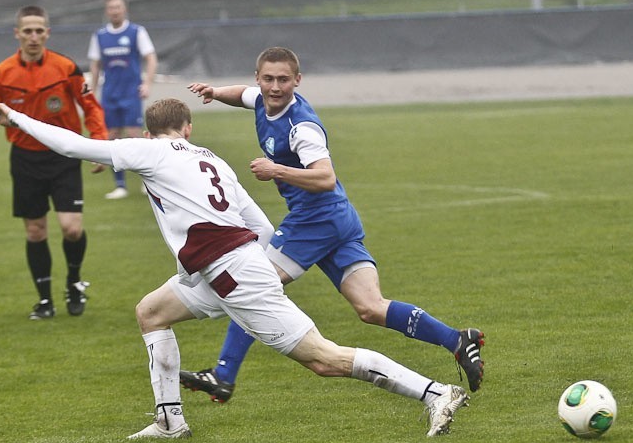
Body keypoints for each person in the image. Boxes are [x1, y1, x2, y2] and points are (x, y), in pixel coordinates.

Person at [0, 98, 471, 438]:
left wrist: (15, 118)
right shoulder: (211, 157)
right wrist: (252, 264)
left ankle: (435, 392)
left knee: (323, 359)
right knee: (151, 312)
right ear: (188, 128)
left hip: (232, 274)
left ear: (151, 132)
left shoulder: (147, 149)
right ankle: (171, 421)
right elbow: (255, 223)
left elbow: (72, 145)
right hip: (222, 269)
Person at [183, 47, 485, 403]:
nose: (275, 86)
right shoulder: (264, 99)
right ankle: (456, 339)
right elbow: (243, 96)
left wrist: (275, 169)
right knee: (370, 307)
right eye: (268, 79)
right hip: (337, 220)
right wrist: (216, 93)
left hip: (316, 221)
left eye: (283, 80)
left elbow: (325, 177)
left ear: (298, 80)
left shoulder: (302, 127)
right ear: (258, 78)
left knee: (254, 285)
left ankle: (223, 374)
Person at [0, 6, 108, 320]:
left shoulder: (65, 67)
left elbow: (90, 106)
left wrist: (98, 145)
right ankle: (44, 301)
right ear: (17, 34)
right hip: (25, 160)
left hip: (64, 155)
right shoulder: (1, 74)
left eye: (39, 30)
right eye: (27, 31)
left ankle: (73, 282)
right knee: (36, 232)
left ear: (47, 33)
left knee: (71, 228)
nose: (34, 36)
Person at [88, 0, 157, 199]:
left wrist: (147, 83)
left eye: (118, 7)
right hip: (110, 94)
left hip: (131, 93)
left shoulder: (136, 32)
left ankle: (148, 182)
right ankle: (120, 186)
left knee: (136, 135)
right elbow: (95, 65)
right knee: (112, 138)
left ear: (124, 9)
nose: (115, 11)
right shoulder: (99, 36)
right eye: (111, 8)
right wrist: (92, 91)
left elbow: (151, 58)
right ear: (106, 11)